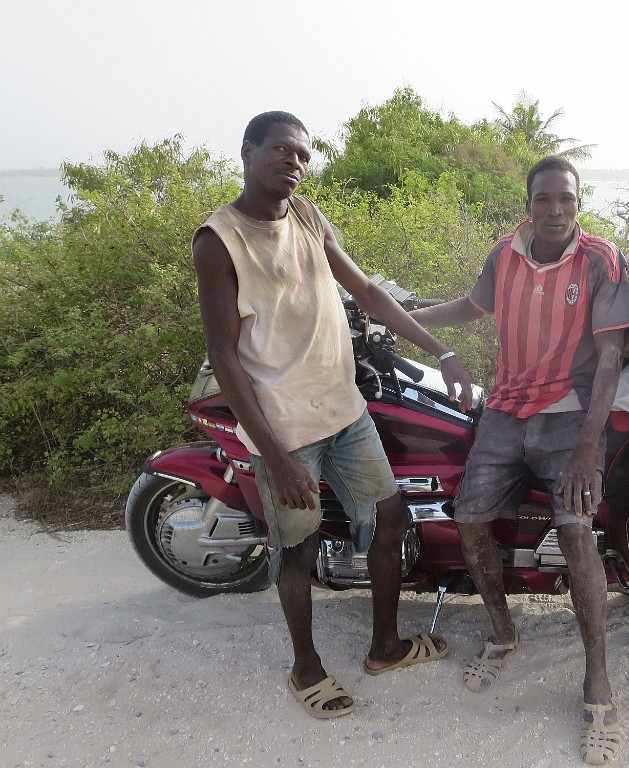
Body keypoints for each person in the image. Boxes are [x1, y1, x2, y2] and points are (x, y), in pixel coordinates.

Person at [192, 111, 474, 720]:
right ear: (247, 151)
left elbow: (368, 292)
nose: (294, 163)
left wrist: (441, 349)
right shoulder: (218, 241)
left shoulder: (306, 215)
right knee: (296, 548)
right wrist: (274, 456)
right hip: (285, 427)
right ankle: (306, 668)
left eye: (302, 154)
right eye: (281, 151)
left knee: (392, 518)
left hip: (344, 410)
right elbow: (225, 356)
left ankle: (384, 646)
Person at [411, 155, 629, 764]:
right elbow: (469, 305)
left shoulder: (599, 260)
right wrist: (403, 318)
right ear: (528, 203)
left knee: (576, 533)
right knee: (468, 519)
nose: (555, 210)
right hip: (507, 410)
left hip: (572, 417)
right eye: (544, 199)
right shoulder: (503, 255)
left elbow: (611, 360)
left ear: (578, 201)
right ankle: (503, 631)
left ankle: (598, 684)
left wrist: (587, 448)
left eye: (565, 199)